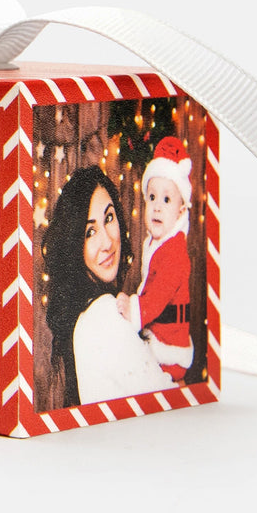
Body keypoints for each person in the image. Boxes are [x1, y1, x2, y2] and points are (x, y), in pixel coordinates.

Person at [42, 166, 173, 407]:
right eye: (90, 232)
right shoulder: (105, 313)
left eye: (109, 218)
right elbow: (168, 405)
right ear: (74, 245)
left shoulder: (87, 312)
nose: (107, 242)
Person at [116, 137, 193, 381]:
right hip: (157, 333)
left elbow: (159, 295)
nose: (157, 207)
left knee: (132, 367)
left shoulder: (175, 252)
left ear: (181, 211)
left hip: (169, 350)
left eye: (167, 200)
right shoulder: (157, 243)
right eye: (152, 197)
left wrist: (134, 309)